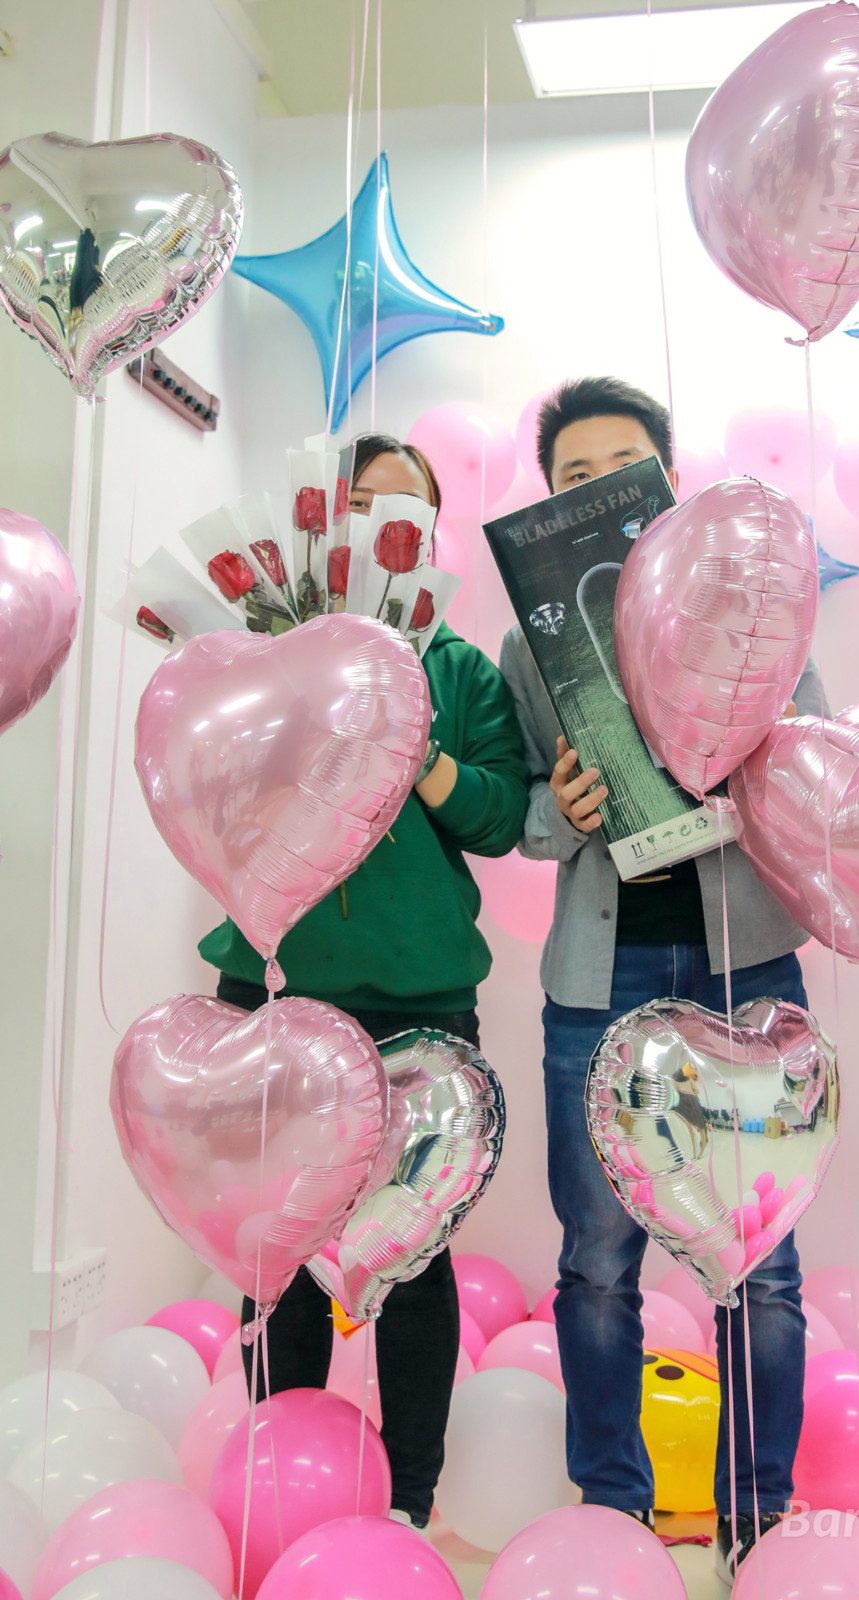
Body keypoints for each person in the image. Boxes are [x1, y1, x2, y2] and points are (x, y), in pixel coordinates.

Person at [497, 377, 825, 1587]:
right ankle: (611, 1513)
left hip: (746, 964)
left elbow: (818, 765)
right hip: (601, 972)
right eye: (573, 479)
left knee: (763, 1262)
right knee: (597, 1258)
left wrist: (755, 757)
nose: (599, 493)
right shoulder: (528, 645)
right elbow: (526, 817)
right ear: (550, 503)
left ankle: (758, 1516)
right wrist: (563, 807)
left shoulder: (755, 609)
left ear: (668, 483)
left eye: (621, 470)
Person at [198, 431, 530, 1533]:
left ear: (428, 537)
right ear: (325, 521)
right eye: (364, 504)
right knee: (278, 1245)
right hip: (277, 982)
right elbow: (215, 787)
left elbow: (497, 814)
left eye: (410, 510)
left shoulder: (460, 670)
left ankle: (411, 1500)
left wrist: (417, 752)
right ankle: (278, 1487)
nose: (387, 524)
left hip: (421, 996)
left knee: (413, 1253)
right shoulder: (273, 648)